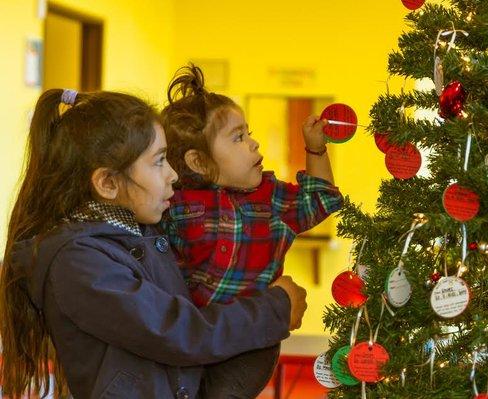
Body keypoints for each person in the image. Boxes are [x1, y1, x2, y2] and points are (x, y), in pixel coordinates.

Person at [0, 88, 307, 399]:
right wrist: (276, 308)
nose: (173, 175)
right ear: (108, 183)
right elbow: (176, 332)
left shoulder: (142, 231)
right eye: (159, 161)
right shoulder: (78, 263)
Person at [160, 64, 343, 397]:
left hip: (250, 344)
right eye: (239, 137)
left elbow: (320, 200)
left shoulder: (271, 197)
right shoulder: (175, 200)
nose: (255, 143)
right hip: (192, 338)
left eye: (249, 132)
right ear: (199, 163)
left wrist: (315, 149)